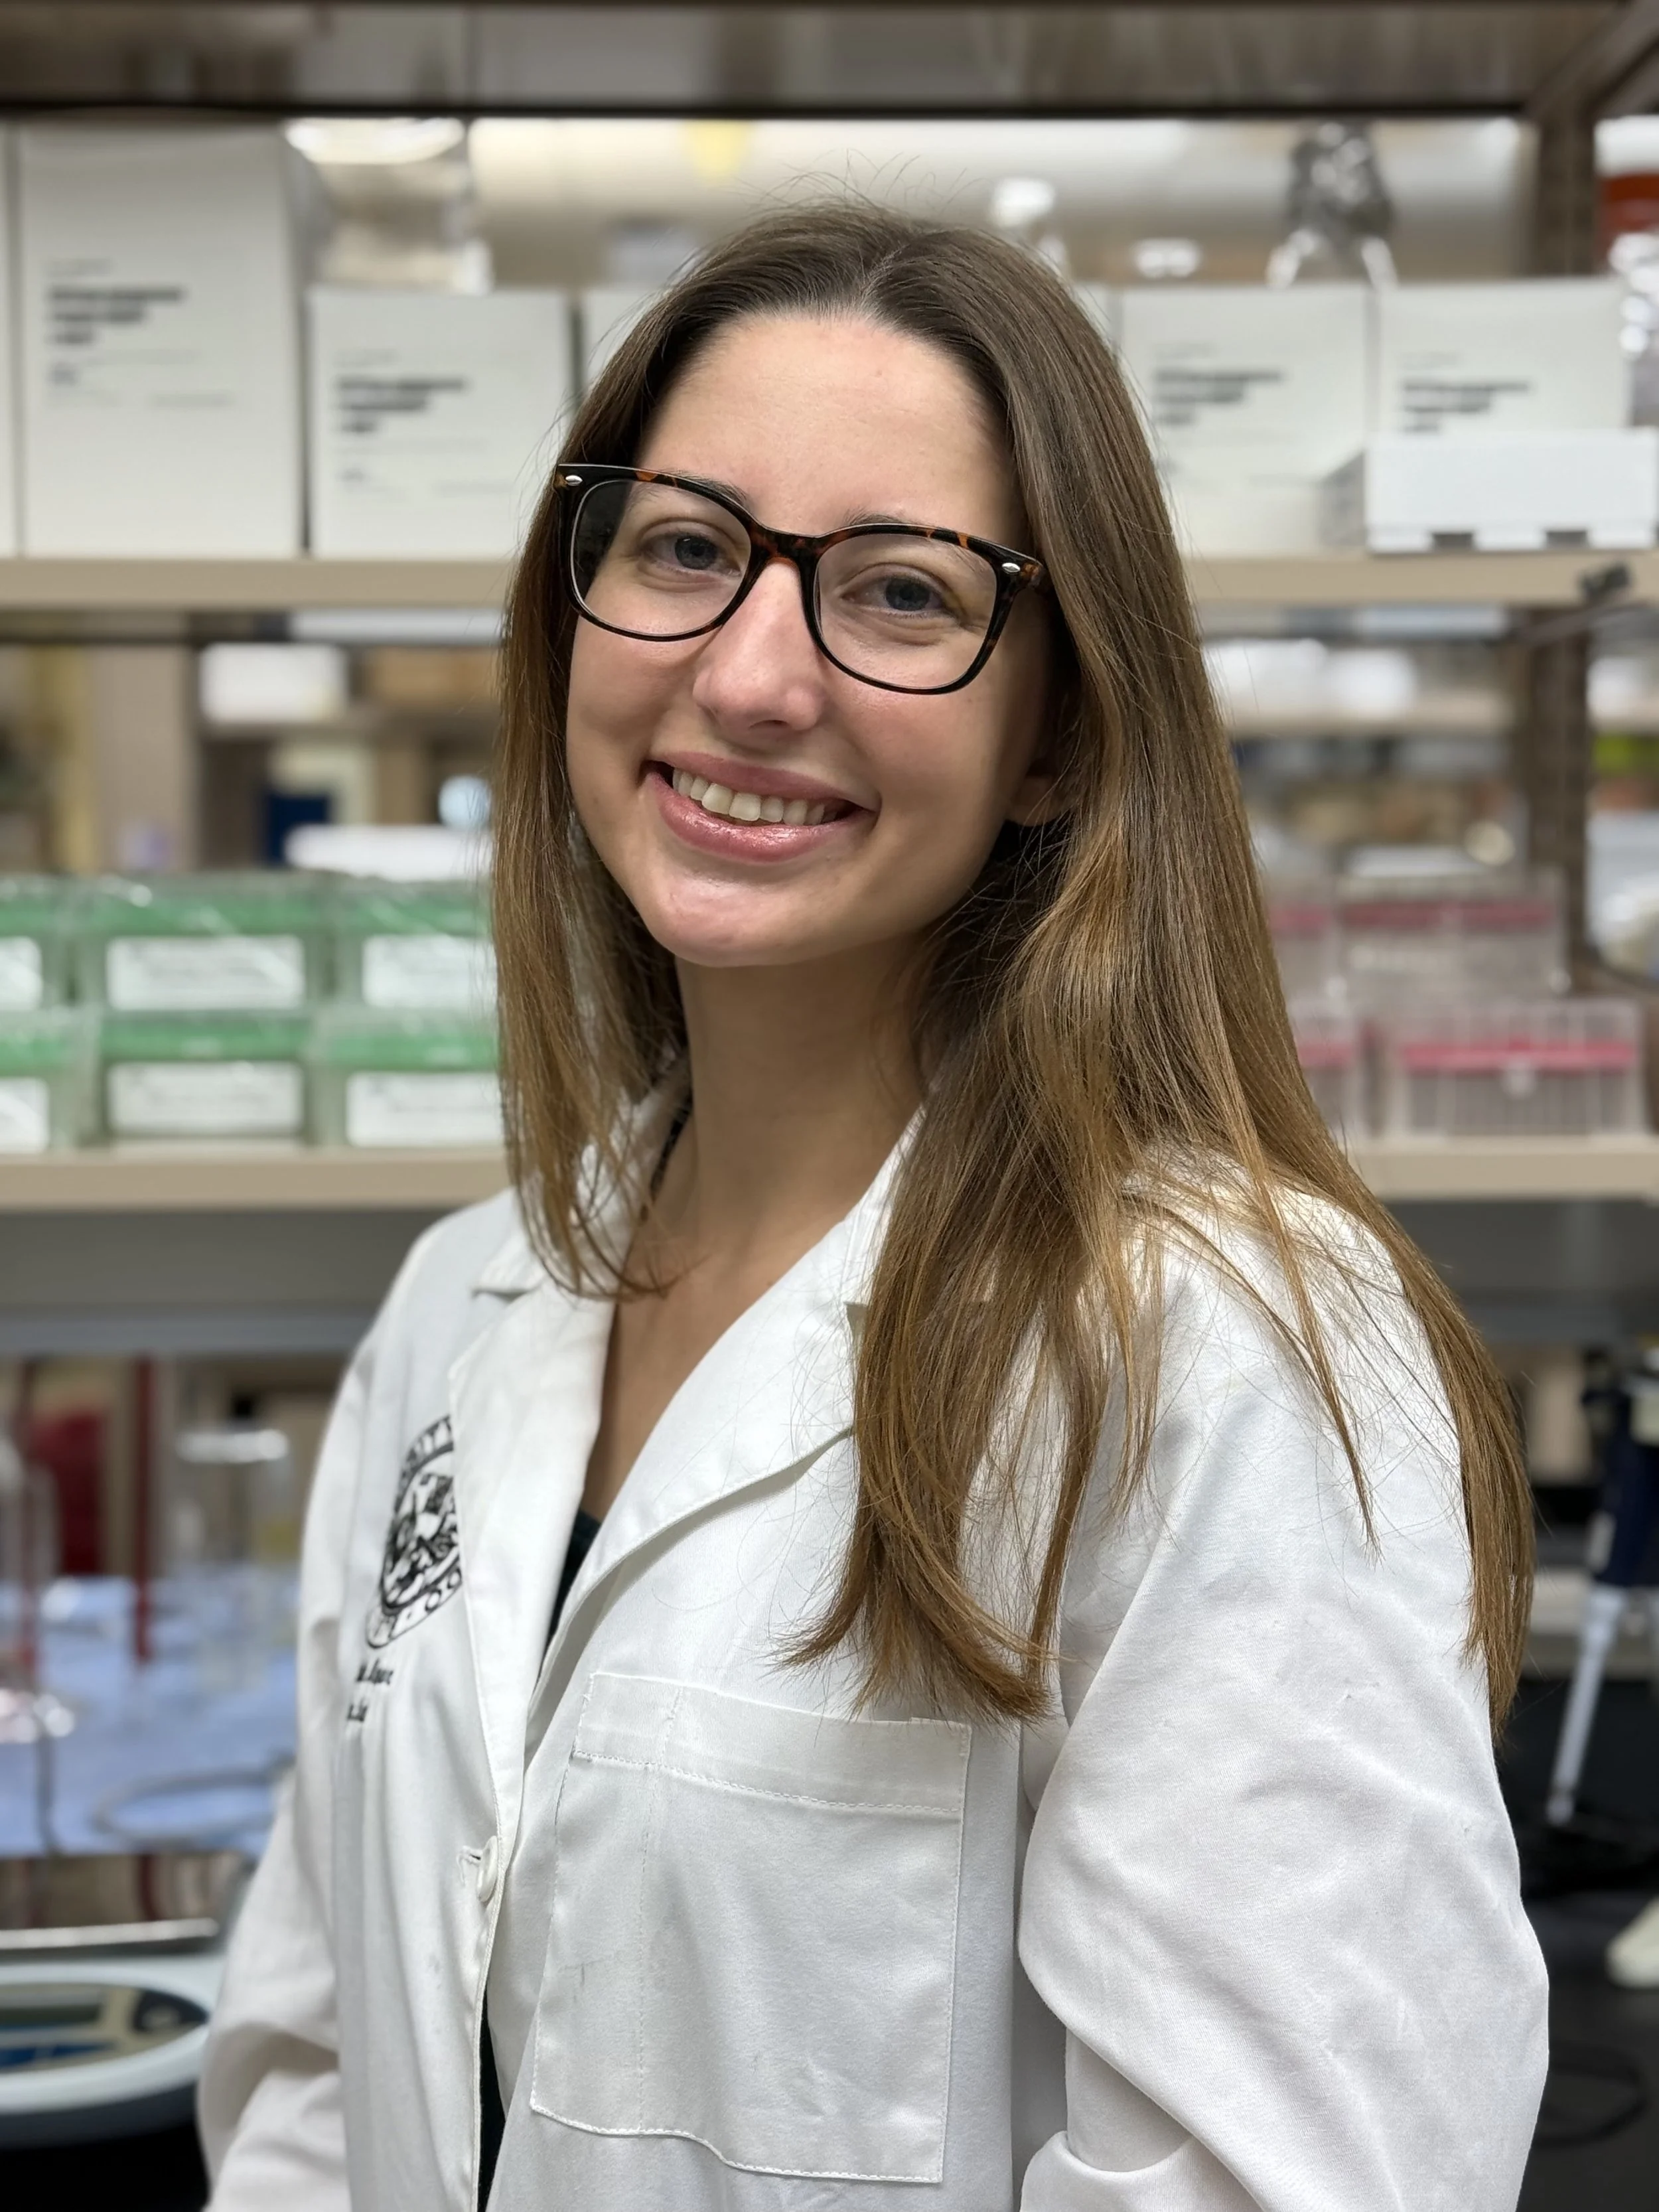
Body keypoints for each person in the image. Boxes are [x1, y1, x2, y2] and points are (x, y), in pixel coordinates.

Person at [198, 204, 1547, 2212]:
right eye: (684, 549)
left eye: (901, 593)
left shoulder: (1220, 1356)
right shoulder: (462, 1301)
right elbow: (319, 2062)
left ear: (1058, 733)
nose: (749, 676)